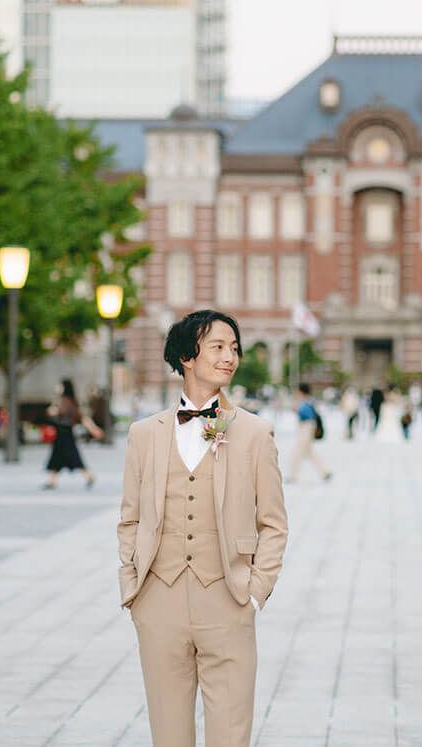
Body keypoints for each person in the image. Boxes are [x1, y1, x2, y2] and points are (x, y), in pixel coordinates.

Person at [117, 309, 288, 747]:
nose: (229, 356)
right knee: (168, 734)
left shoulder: (254, 433)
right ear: (186, 357)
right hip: (159, 601)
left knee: (231, 733)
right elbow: (130, 517)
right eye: (217, 347)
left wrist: (254, 592)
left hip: (228, 599)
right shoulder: (143, 434)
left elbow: (273, 523)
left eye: (234, 348)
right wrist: (133, 587)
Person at [43, 379, 99, 489]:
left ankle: (89, 476)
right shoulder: (69, 401)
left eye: (60, 386)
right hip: (64, 435)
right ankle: (52, 481)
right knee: (57, 459)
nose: (58, 387)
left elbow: (73, 416)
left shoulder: (65, 401)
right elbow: (81, 417)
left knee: (72, 458)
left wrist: (53, 410)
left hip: (64, 435)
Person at [286, 383, 332, 483]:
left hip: (305, 429)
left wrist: (295, 407)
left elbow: (303, 414)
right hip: (307, 429)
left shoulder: (305, 402)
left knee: (297, 452)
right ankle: (324, 472)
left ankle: (292, 475)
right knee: (310, 453)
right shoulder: (307, 401)